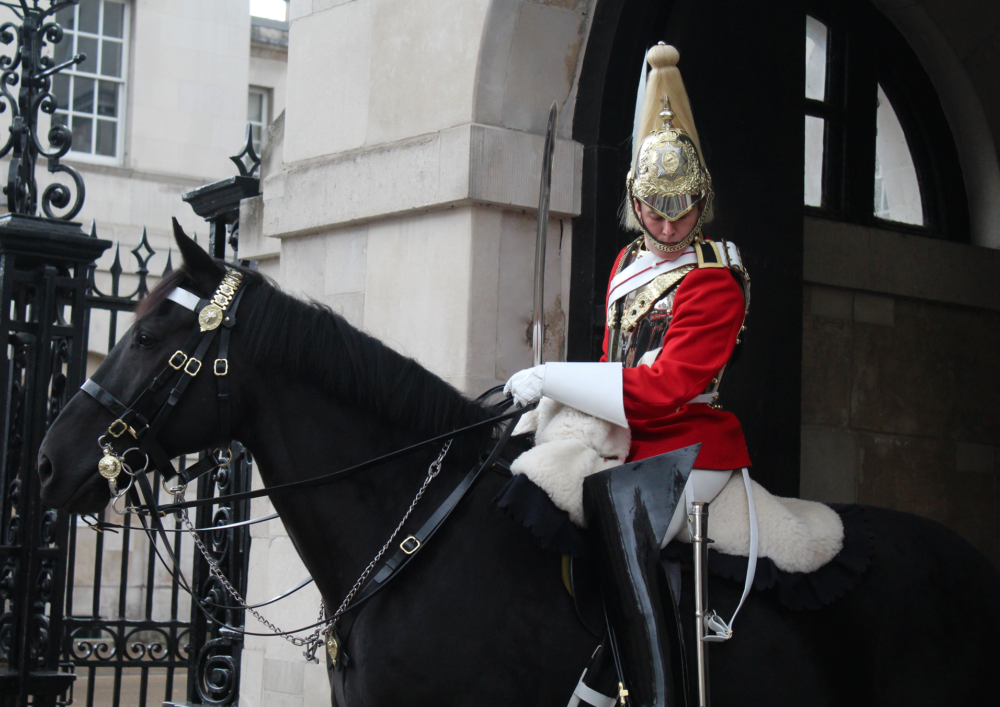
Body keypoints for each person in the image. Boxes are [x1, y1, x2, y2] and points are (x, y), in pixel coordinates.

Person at [504, 43, 751, 706]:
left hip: (689, 441)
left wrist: (554, 376)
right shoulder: (625, 264)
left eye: (683, 209)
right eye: (656, 208)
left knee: (620, 513)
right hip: (627, 432)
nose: (669, 226)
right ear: (635, 201)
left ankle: (649, 688)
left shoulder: (714, 279)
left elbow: (667, 387)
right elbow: (618, 364)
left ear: (703, 200)